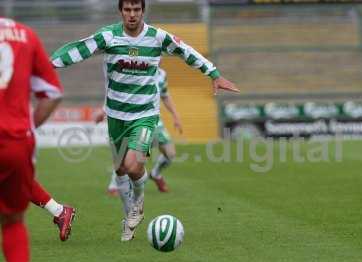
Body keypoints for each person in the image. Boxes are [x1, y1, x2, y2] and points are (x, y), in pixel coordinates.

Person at [51, 0, 239, 242]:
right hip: (117, 116)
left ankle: (138, 203)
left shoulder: (157, 37)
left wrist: (213, 73)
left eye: (136, 10)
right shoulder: (108, 37)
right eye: (127, 10)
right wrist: (45, 65)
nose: (132, 15)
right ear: (120, 12)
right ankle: (129, 213)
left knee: (132, 166)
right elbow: (77, 50)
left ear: (142, 11)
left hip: (144, 116)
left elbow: (186, 51)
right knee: (120, 169)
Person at [0, 17, 63, 262]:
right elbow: (52, 94)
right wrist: (27, 128)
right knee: (13, 220)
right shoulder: (25, 35)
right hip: (15, 141)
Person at [97, 68, 182, 194]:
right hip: (135, 120)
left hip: (155, 122)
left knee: (170, 153)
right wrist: (104, 110)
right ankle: (115, 184)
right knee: (131, 158)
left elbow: (165, 95)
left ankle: (156, 174)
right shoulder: (135, 71)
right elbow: (120, 92)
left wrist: (175, 116)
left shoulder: (162, 74)